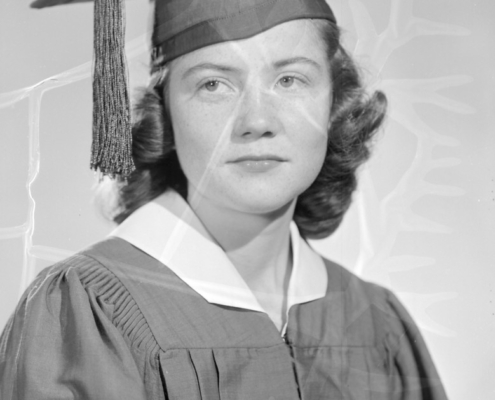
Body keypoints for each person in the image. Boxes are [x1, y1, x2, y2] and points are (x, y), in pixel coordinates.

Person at [0, 0, 448, 399]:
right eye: (213, 84)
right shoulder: (87, 315)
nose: (257, 120)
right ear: (165, 112)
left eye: (290, 79)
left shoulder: (377, 322)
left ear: (335, 102)